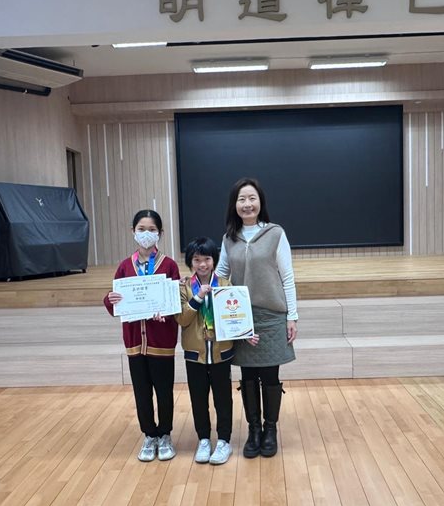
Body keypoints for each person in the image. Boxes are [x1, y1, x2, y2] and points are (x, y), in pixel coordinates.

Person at [217, 178, 298, 458]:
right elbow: (221, 274)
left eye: (252, 198)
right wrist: (196, 285)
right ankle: (253, 430)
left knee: (270, 375)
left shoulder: (275, 233)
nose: (247, 204)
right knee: (248, 375)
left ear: (260, 202)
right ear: (234, 205)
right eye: (241, 199)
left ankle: (270, 429)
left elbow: (287, 277)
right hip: (241, 316)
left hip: (272, 314)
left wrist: (292, 316)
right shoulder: (229, 238)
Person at [103, 209, 180, 462]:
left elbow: (176, 301)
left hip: (161, 341)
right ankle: (149, 435)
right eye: (141, 229)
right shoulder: (125, 266)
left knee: (164, 390)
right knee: (141, 391)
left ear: (160, 233)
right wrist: (111, 299)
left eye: (152, 229)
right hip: (135, 342)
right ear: (133, 232)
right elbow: (115, 302)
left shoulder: (169, 265)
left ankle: (165, 434)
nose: (146, 234)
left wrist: (166, 311)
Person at [175, 237, 235, 465]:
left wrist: (245, 331)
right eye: (197, 260)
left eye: (207, 259)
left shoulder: (226, 285)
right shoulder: (183, 287)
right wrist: (198, 298)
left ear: (214, 260)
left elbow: (234, 316)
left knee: (223, 399)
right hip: (195, 354)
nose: (202, 264)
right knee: (198, 399)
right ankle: (203, 439)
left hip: (221, 352)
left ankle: (224, 441)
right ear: (190, 262)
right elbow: (181, 319)